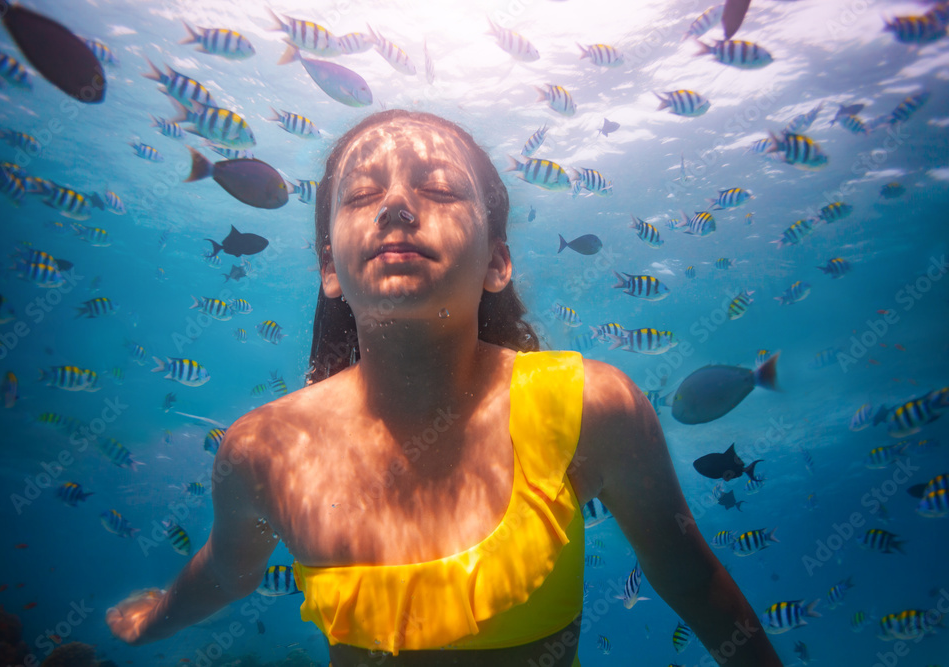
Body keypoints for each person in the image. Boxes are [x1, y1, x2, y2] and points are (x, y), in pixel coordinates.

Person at [107, 110, 783, 667]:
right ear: (329, 268)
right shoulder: (262, 449)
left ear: (497, 260)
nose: (399, 205)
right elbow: (227, 571)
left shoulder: (588, 406)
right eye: (364, 193)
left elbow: (691, 579)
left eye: (438, 189)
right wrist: (153, 619)